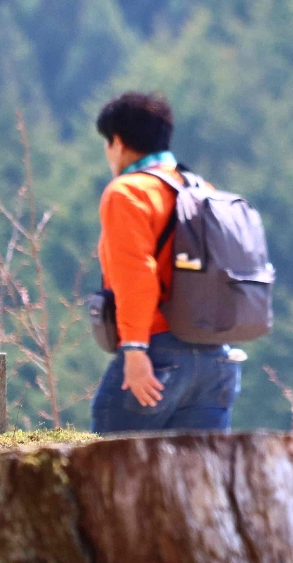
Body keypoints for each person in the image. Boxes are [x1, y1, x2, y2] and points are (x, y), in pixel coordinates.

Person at [89, 91, 242, 433]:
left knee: (112, 461)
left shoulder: (128, 191)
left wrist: (134, 350)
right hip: (216, 358)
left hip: (158, 354)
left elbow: (136, 275)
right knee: (200, 466)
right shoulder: (201, 189)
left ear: (117, 142)